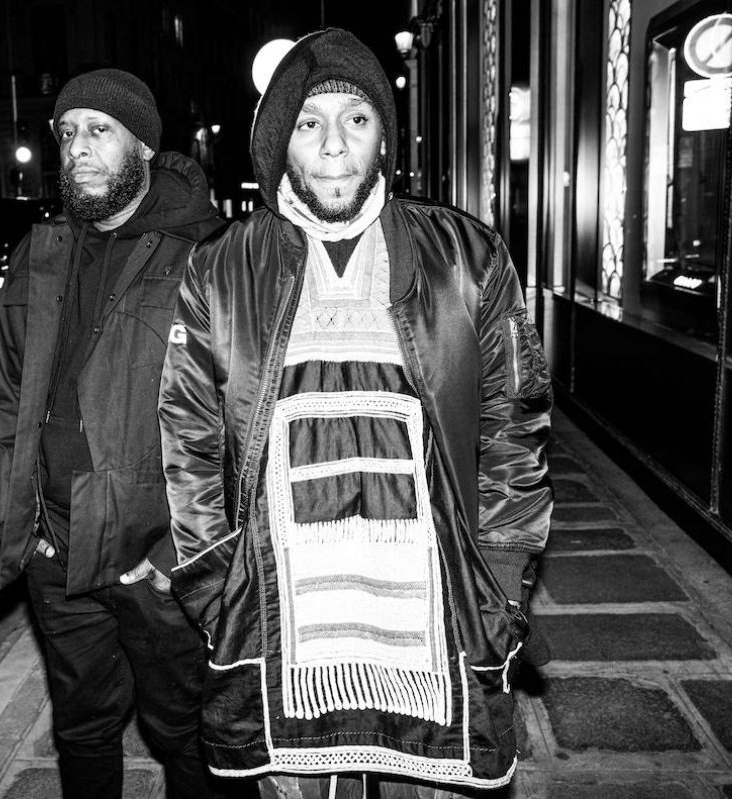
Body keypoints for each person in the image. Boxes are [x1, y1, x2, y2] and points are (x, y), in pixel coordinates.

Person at [158, 29, 553, 799]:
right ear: (281, 141)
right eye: (309, 122)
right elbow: (188, 437)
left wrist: (504, 581)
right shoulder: (219, 267)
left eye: (357, 119)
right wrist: (212, 585)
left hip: (434, 635)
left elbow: (517, 424)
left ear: (384, 137)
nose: (334, 145)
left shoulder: (468, 256)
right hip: (281, 634)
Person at [0, 68, 225, 799]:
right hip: (55, 548)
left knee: (191, 733)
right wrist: (15, 519)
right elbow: (6, 397)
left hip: (157, 555)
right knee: (82, 728)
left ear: (143, 146)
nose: (77, 148)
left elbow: (243, 415)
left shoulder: (207, 252)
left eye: (99, 130)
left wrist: (178, 552)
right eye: (66, 133)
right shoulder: (39, 253)